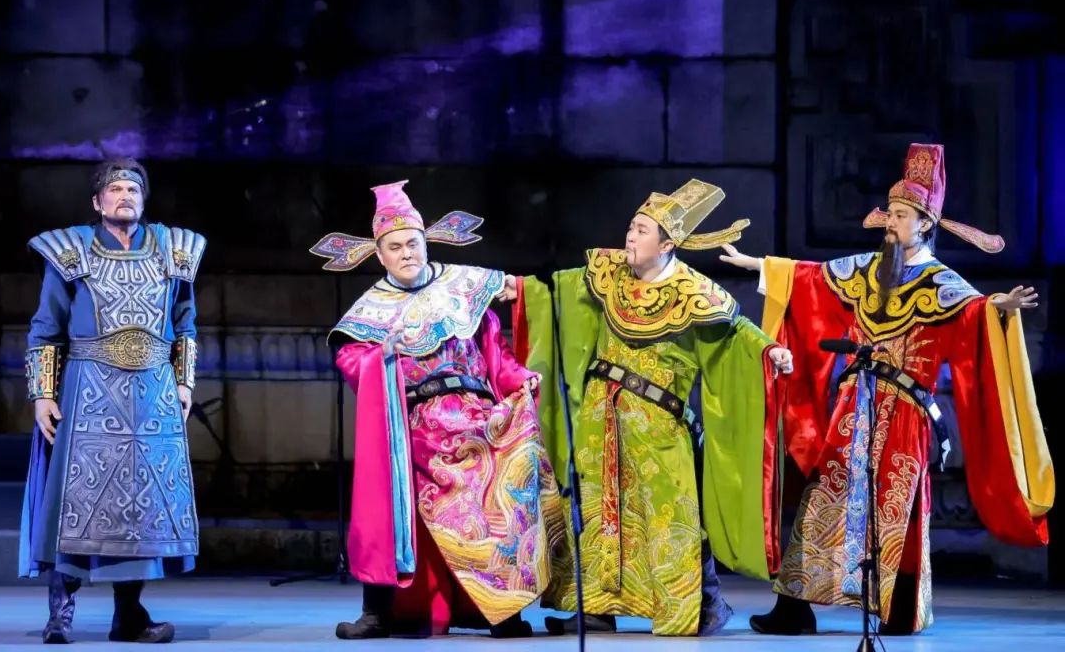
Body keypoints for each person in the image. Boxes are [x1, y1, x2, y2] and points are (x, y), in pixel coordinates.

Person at [719, 143, 1054, 635]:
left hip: (904, 410)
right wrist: (759, 265)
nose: (890, 223)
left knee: (896, 501)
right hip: (853, 404)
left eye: (900, 215)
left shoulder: (942, 282)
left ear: (924, 224)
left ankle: (896, 607)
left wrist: (997, 307)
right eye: (890, 213)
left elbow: (973, 312)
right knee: (825, 494)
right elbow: (812, 277)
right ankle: (795, 605)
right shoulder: (868, 269)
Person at [503, 179, 793, 636]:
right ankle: (596, 608)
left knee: (668, 513)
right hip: (601, 417)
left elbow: (734, 332)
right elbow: (560, 290)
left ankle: (693, 606)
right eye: (631, 227)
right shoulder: (610, 274)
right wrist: (521, 289)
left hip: (658, 422)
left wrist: (768, 350)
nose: (630, 236)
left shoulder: (694, 292)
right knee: (598, 510)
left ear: (667, 243)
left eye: (641, 230)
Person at [309, 181, 563, 639]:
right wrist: (382, 354)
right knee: (393, 500)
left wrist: (519, 378)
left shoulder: (463, 290)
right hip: (417, 427)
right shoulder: (370, 311)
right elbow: (350, 360)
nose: (406, 253)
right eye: (395, 247)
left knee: (514, 473)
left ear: (426, 243)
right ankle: (378, 611)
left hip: (479, 417)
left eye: (413, 243)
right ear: (380, 255)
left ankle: (503, 609)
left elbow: (495, 353)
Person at [20, 158, 206, 644]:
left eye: (133, 189)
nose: (125, 195)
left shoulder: (174, 251)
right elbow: (46, 328)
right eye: (116, 189)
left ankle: (129, 616)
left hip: (152, 392)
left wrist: (184, 382)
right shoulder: (70, 251)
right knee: (74, 499)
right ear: (97, 201)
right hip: (88, 388)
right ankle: (60, 614)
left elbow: (185, 324)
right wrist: (42, 394)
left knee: (139, 506)